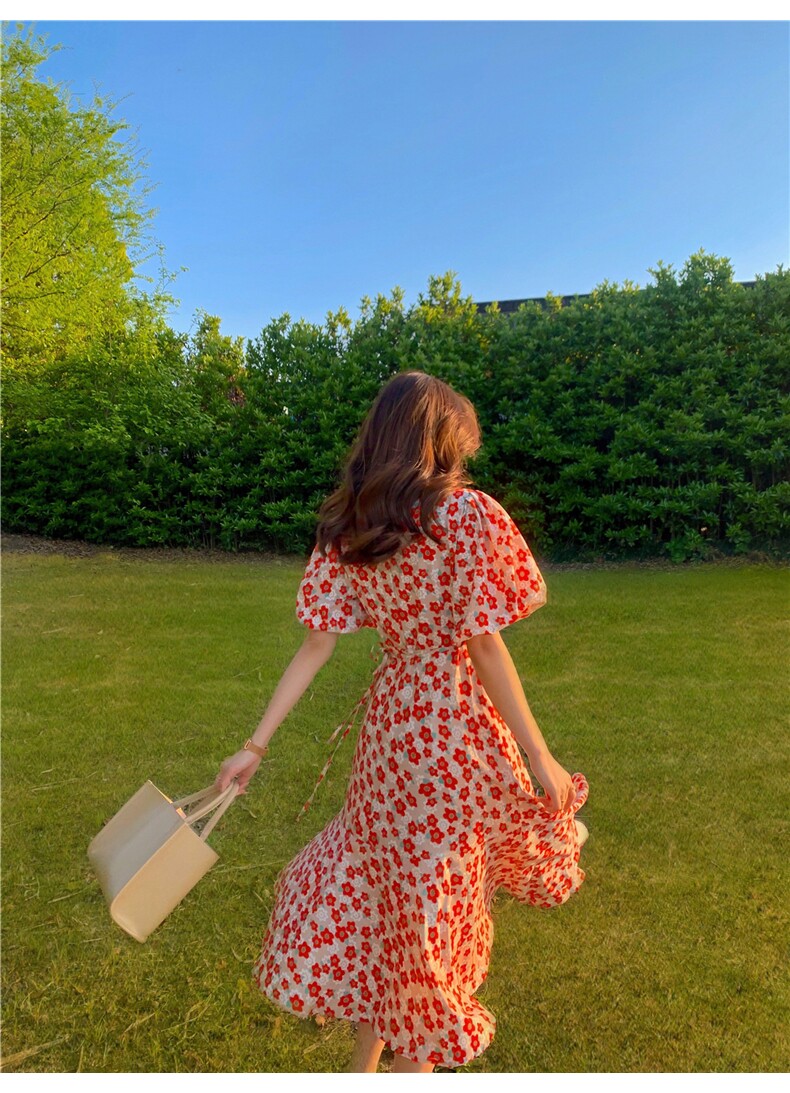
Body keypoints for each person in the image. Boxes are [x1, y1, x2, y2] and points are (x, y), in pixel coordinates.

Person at [214, 370, 590, 1073]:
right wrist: (539, 755)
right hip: (452, 730)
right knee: (430, 907)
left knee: (395, 896)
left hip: (391, 731)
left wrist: (254, 745)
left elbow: (317, 644)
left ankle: (364, 1070)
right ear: (438, 438)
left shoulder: (353, 525)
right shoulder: (465, 516)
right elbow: (483, 645)